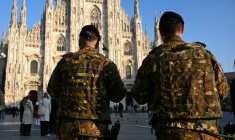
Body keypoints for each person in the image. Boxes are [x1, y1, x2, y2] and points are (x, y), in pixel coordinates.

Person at [131, 11, 230, 140]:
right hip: (209, 133)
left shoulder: (153, 58)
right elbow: (223, 91)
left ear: (160, 32)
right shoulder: (206, 55)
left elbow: (139, 96)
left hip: (172, 134)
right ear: (182, 28)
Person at [47, 25, 127, 140]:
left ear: (79, 41)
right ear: (98, 44)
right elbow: (118, 95)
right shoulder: (106, 64)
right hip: (96, 130)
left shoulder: (65, 62)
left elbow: (52, 91)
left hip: (68, 130)